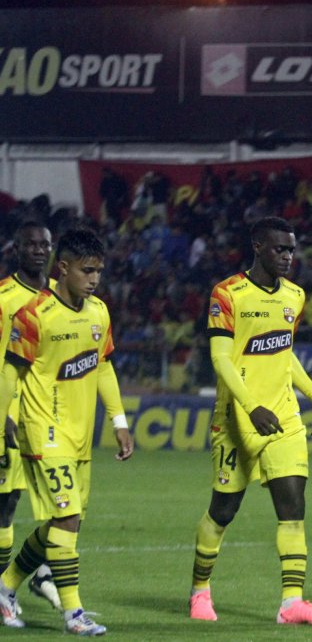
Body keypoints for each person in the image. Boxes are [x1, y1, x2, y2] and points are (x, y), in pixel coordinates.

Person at [188, 216, 312, 626]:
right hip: (237, 419)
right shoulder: (227, 294)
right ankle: (200, 590)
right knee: (224, 509)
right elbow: (221, 358)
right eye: (279, 249)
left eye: (291, 249)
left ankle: (292, 603)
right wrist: (251, 406)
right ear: (257, 247)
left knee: (293, 506)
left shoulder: (294, 296)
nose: (288, 257)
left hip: (283, 415)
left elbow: (282, 352)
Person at [0, 228, 134, 635]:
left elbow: (104, 366)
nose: (94, 279)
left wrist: (119, 421)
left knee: (60, 524)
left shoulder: (99, 312)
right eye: (86, 270)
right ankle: (74, 613)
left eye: (99, 271)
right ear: (63, 269)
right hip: (43, 432)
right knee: (68, 517)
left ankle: (6, 587)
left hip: (80, 438)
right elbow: (10, 372)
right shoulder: (34, 315)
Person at [0, 222, 60, 611]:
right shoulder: (4, 296)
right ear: (17, 249)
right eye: (31, 244)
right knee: (7, 502)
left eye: (45, 245)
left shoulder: (61, 293)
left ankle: (39, 573)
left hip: (48, 416)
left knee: (58, 504)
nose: (39, 250)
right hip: (10, 411)